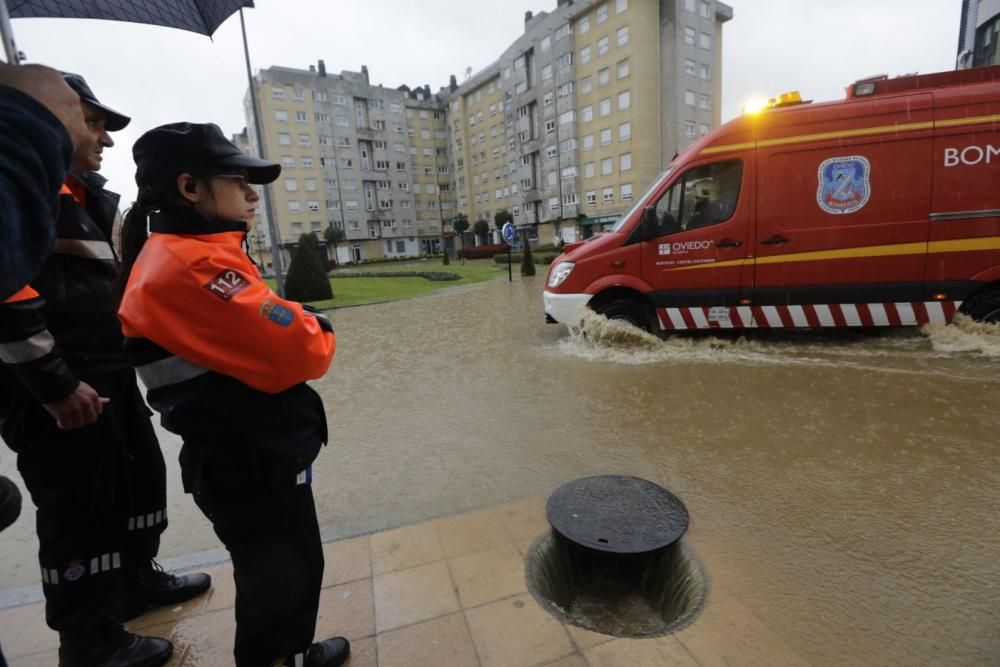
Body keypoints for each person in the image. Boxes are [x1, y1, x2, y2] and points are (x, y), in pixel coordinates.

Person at [117, 122, 349, 667]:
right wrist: (317, 324)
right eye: (237, 179)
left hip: (244, 453)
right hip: (248, 458)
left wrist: (294, 321)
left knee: (287, 568)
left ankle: (288, 654)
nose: (251, 193)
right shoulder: (194, 264)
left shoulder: (189, 251)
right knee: (279, 577)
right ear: (190, 187)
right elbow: (304, 349)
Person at [0, 75, 211, 667]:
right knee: (78, 511)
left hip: (109, 373)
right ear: (44, 117)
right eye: (90, 121)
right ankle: (86, 639)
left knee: (137, 482)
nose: (104, 139)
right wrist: (56, 386)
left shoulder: (83, 197)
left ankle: (133, 581)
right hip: (59, 389)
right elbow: (7, 293)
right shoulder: (22, 189)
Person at [0, 63, 87, 301]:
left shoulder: (96, 198)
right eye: (89, 121)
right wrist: (29, 124)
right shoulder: (37, 181)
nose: (106, 140)